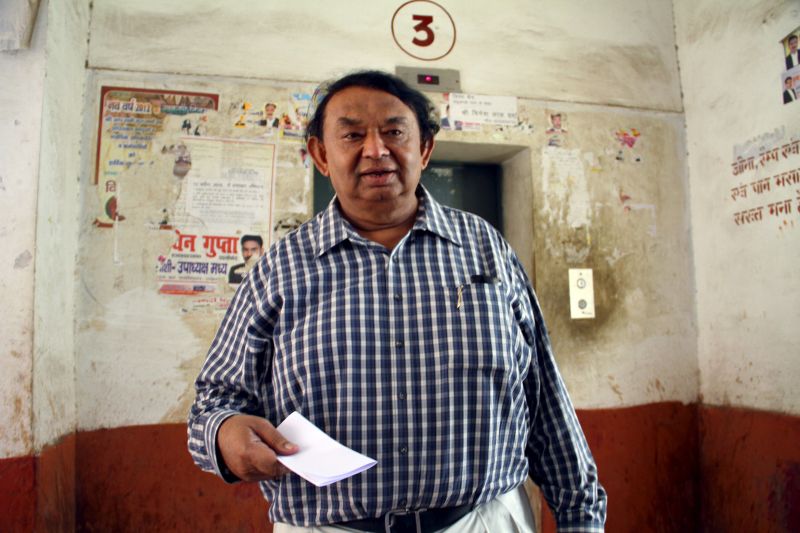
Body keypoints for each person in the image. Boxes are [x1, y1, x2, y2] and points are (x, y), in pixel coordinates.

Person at [189, 70, 606, 532]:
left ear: (424, 149)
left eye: (394, 132)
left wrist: (581, 518)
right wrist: (224, 434)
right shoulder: (279, 268)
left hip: (482, 519)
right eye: (352, 135)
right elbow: (214, 401)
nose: (375, 150)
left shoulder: (485, 249)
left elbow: (544, 398)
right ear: (321, 155)